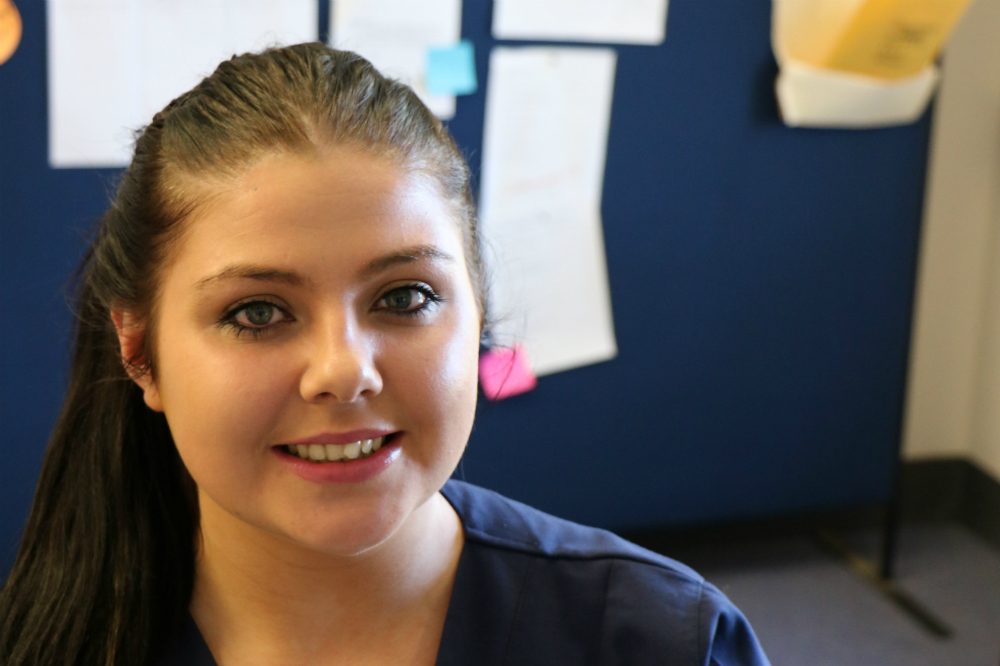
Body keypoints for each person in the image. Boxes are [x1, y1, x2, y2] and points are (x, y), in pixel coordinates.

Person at [0, 43, 770, 666]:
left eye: (405, 298)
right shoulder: (54, 637)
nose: (344, 369)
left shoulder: (662, 641)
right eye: (257, 312)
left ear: (476, 312)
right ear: (139, 352)